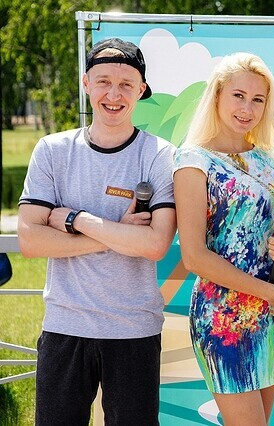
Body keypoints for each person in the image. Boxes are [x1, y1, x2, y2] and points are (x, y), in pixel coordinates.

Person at [17, 38, 176, 425]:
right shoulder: (53, 150)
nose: (114, 95)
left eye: (126, 85)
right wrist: (117, 235)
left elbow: (156, 244)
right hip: (64, 326)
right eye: (103, 82)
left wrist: (76, 220)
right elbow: (31, 240)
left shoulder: (160, 154)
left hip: (134, 330)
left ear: (141, 90)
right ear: (86, 83)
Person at [173, 52, 274, 425]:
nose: (247, 108)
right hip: (223, 319)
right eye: (238, 95)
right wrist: (268, 292)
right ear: (217, 94)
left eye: (257, 99)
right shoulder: (193, 162)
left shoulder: (270, 162)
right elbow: (194, 257)